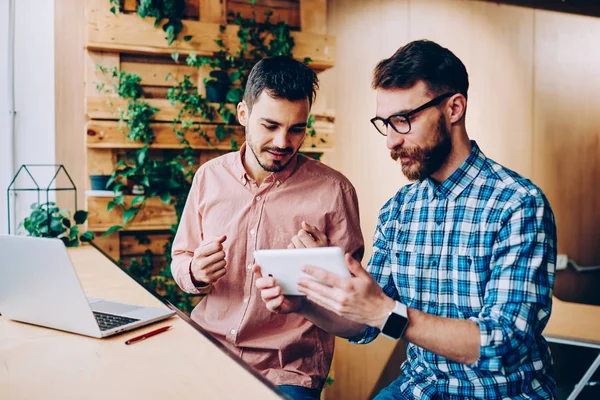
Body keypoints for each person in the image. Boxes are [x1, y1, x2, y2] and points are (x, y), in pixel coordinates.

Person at [255, 40, 557, 399]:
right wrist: (305, 304)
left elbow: (503, 343)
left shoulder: (518, 204)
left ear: (454, 108)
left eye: (403, 121)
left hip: (500, 392)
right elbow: (365, 323)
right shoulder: (399, 209)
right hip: (420, 389)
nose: (391, 142)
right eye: (386, 123)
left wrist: (386, 311)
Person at [171, 55, 364, 400]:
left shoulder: (335, 192)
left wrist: (322, 273)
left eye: (296, 129)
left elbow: (354, 313)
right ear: (243, 114)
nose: (282, 142)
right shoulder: (208, 178)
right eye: (270, 125)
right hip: (208, 348)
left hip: (288, 368)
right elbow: (181, 257)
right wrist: (195, 271)